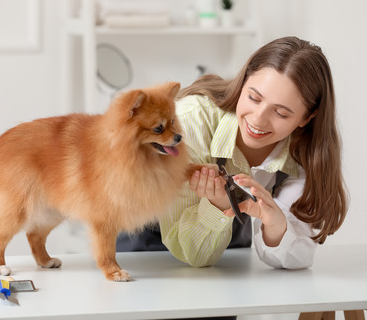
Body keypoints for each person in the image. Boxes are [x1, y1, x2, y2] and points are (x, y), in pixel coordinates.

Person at [118, 36, 347, 271]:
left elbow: (298, 257)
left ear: (307, 118)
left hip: (226, 253)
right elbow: (192, 254)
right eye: (254, 98)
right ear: (243, 80)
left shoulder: (304, 152)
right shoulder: (187, 125)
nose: (258, 119)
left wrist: (276, 223)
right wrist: (217, 205)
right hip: (145, 249)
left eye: (280, 113)